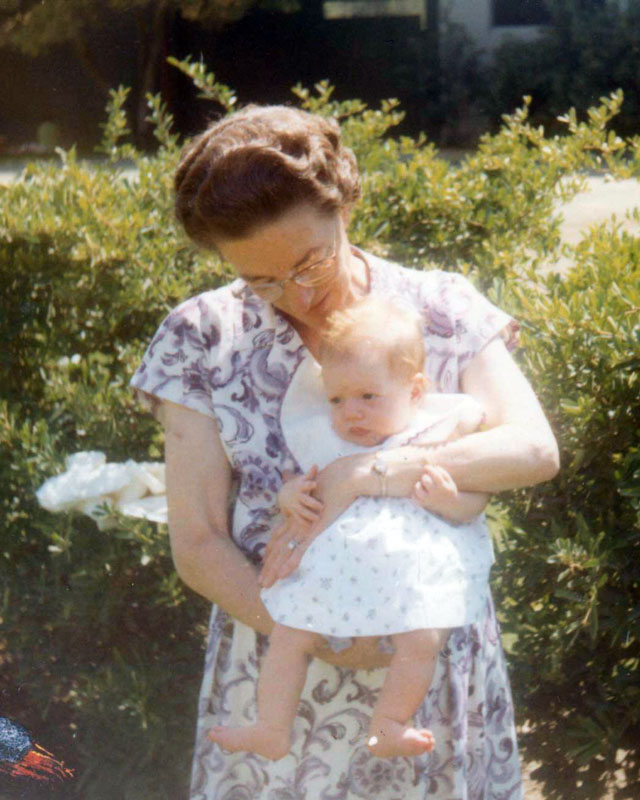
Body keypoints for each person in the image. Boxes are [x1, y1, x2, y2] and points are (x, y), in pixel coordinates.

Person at [131, 103, 559, 799]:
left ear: (345, 203)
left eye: (310, 260)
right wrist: (326, 632)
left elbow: (533, 449)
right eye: (262, 279)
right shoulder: (201, 336)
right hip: (278, 668)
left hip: (426, 675)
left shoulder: (439, 307)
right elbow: (200, 541)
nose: (295, 295)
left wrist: (368, 474)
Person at [208, 295, 494, 761]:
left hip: (411, 575)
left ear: (416, 392)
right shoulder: (325, 436)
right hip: (335, 572)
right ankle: (271, 727)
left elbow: (473, 505)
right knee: (289, 634)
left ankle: (390, 724)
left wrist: (448, 500)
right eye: (338, 398)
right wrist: (290, 498)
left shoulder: (436, 433)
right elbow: (295, 488)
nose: (350, 412)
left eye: (367, 397)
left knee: (422, 639)